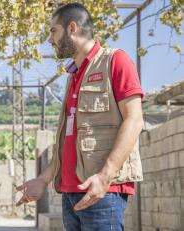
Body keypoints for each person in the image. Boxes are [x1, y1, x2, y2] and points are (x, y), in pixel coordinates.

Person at [16, 3, 144, 231]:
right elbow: (70, 143)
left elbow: (134, 120)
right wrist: (43, 180)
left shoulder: (115, 61)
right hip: (70, 195)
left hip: (102, 193)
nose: (50, 39)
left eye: (53, 31)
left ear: (72, 28)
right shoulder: (73, 76)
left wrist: (105, 177)